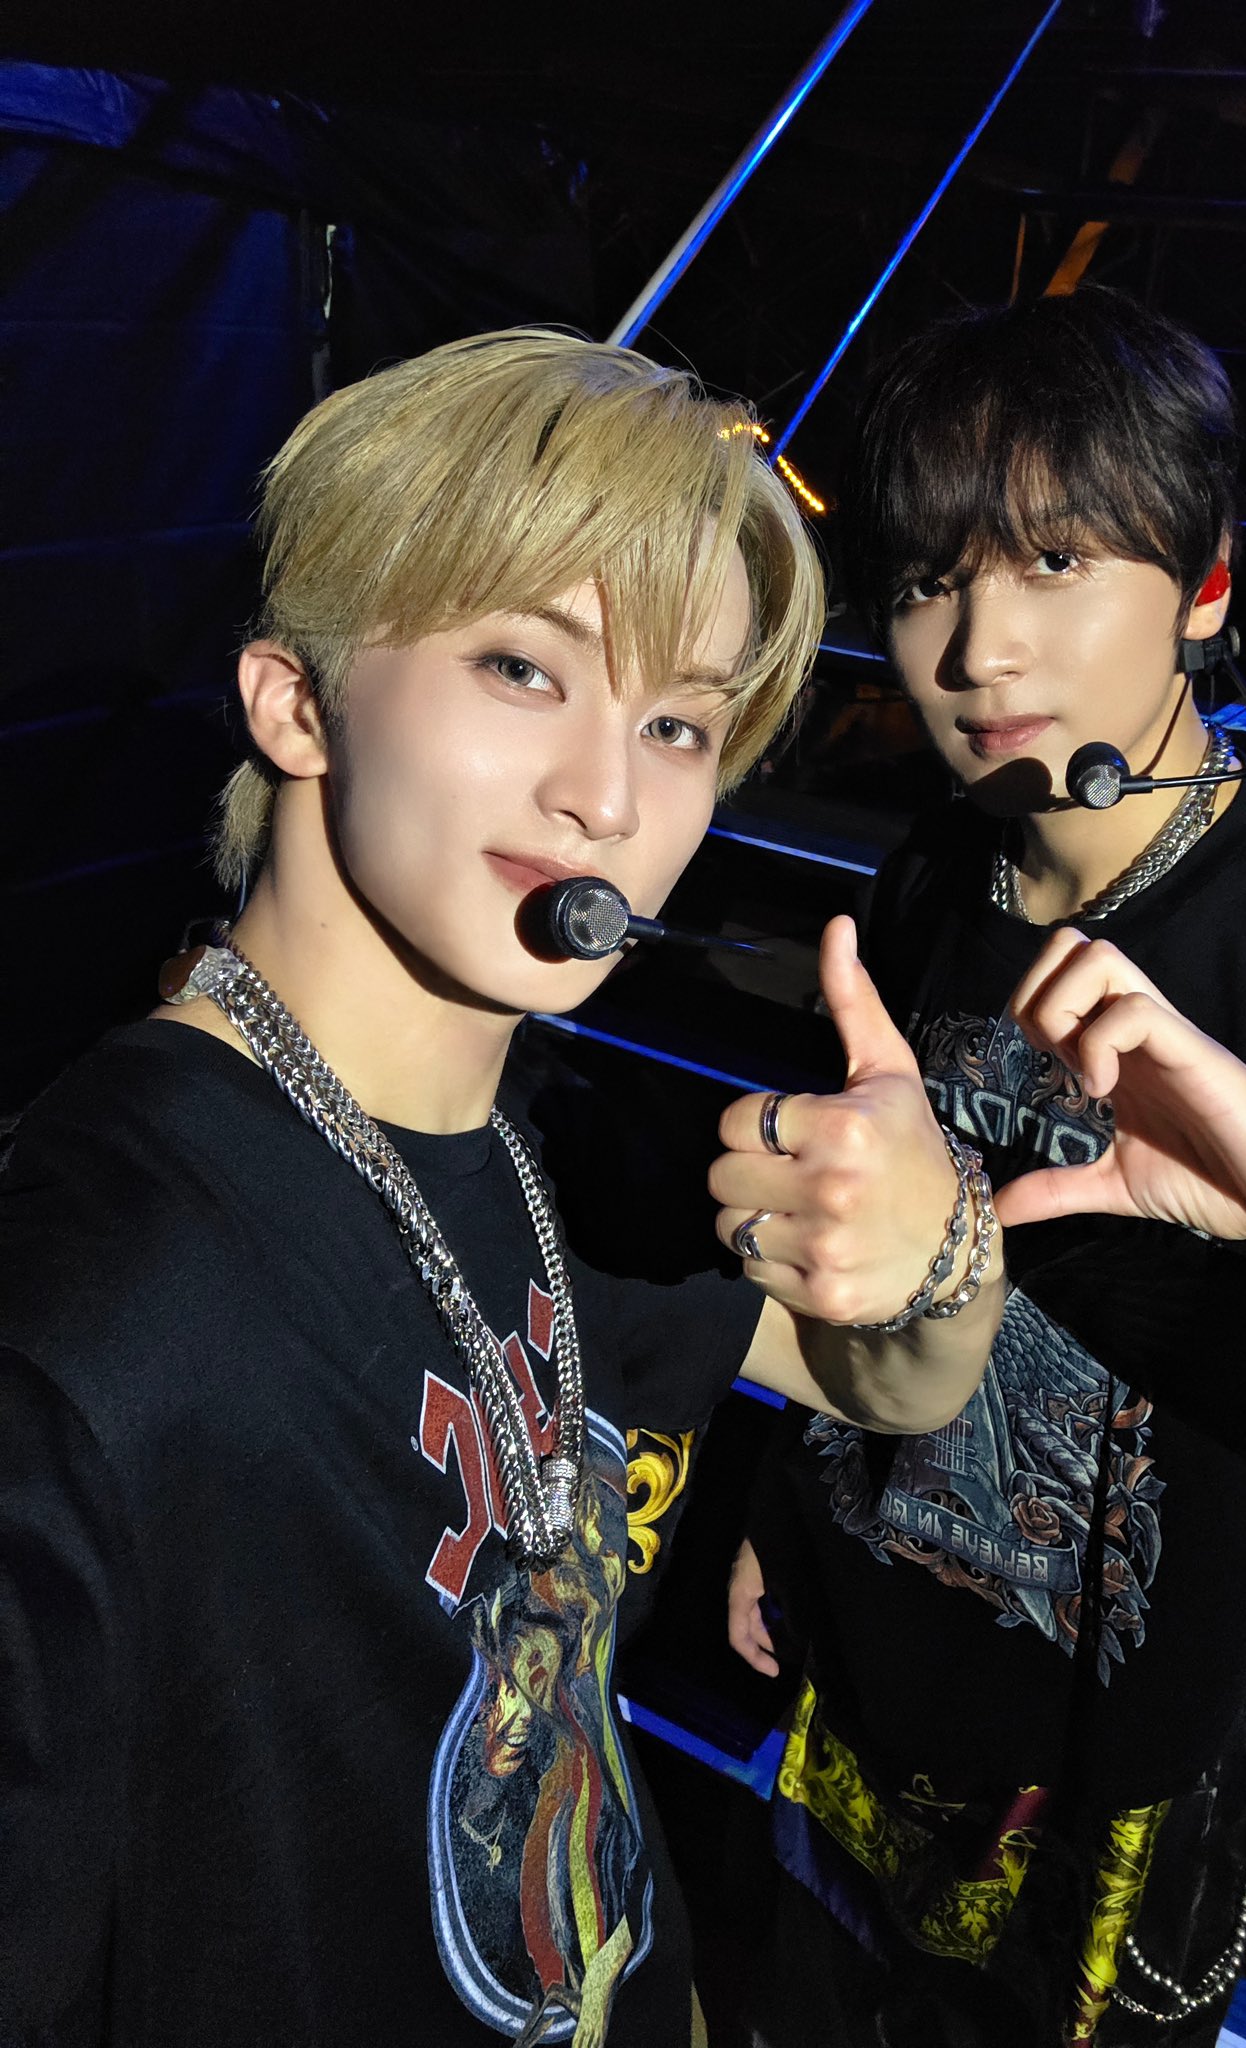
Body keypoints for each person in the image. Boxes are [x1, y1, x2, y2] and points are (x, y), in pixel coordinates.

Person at [0, 330, 1007, 2048]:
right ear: (295, 701)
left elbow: (891, 1380)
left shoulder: (567, 1155)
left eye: (678, 723)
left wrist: (937, 1256)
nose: (607, 796)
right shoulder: (89, 1308)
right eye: (524, 669)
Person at [727, 285, 1246, 2048]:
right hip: (866, 1666)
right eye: (928, 581)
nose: (977, 654)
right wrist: (799, 1495)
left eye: (1055, 563)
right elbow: (863, 1232)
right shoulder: (938, 871)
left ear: (1208, 586)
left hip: (1129, 1752)